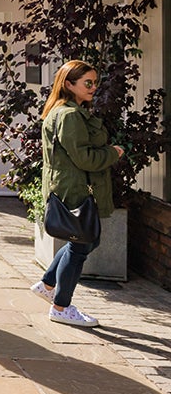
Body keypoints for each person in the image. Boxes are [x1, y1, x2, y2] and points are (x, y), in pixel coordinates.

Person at [31, 60, 122, 328]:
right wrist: (113, 153)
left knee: (84, 241)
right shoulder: (69, 116)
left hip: (70, 185)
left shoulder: (67, 112)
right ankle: (61, 306)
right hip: (75, 188)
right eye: (87, 83)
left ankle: (48, 284)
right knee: (81, 244)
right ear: (69, 85)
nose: (94, 87)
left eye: (95, 82)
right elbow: (84, 159)